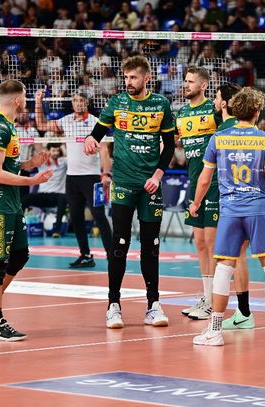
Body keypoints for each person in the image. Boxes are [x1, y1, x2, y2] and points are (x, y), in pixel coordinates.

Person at [190, 87, 265, 346]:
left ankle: (214, 331)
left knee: (224, 268)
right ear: (257, 112)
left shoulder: (218, 139)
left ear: (234, 110)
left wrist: (196, 203)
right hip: (257, 210)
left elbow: (204, 179)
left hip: (229, 211)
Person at [84, 55, 175, 329]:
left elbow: (169, 145)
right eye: (126, 77)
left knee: (151, 246)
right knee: (119, 244)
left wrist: (158, 175)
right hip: (123, 183)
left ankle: (153, 305)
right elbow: (97, 132)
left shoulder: (161, 104)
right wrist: (90, 139)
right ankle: (113, 305)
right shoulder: (117, 103)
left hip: (150, 186)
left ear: (147, 78)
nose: (128, 82)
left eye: (133, 77)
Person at [0, 79, 53, 341]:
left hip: (11, 203)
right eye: (25, 96)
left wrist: (30, 164)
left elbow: (9, 164)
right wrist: (32, 181)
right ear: (17, 100)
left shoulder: (9, 126)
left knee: (19, 255)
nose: (26, 101)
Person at [35, 91, 113, 267]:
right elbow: (41, 124)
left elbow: (104, 150)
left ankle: (112, 254)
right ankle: (86, 255)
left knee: (99, 215)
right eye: (75, 101)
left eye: (82, 100)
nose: (78, 103)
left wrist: (106, 174)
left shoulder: (95, 122)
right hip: (72, 178)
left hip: (92, 177)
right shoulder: (66, 121)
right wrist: (39, 102)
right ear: (72, 104)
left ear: (87, 103)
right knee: (76, 217)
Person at [175, 67, 221, 320]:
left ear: (204, 86)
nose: (186, 85)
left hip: (214, 183)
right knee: (200, 243)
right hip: (195, 183)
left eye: (191, 81)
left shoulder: (213, 111)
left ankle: (213, 300)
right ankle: (206, 296)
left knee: (212, 244)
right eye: (185, 81)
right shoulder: (181, 114)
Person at [21, 143, 68, 234]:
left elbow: (70, 159)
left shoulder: (63, 162)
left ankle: (57, 231)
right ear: (48, 151)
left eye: (58, 151)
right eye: (53, 150)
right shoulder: (42, 163)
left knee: (63, 198)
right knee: (24, 199)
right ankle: (19, 226)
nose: (56, 153)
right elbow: (27, 168)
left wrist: (63, 144)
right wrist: (29, 149)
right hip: (43, 195)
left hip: (57, 196)